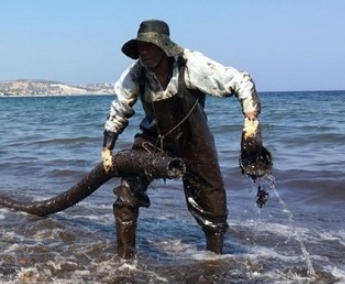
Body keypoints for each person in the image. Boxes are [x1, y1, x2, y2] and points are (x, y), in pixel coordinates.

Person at [101, 19, 272, 259]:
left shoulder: (190, 64)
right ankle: (125, 263)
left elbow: (239, 80)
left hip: (194, 142)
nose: (144, 52)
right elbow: (119, 109)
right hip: (153, 141)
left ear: (164, 47)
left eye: (150, 46)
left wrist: (251, 122)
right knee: (126, 197)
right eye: (141, 47)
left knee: (213, 212)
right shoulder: (136, 73)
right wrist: (107, 149)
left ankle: (214, 264)